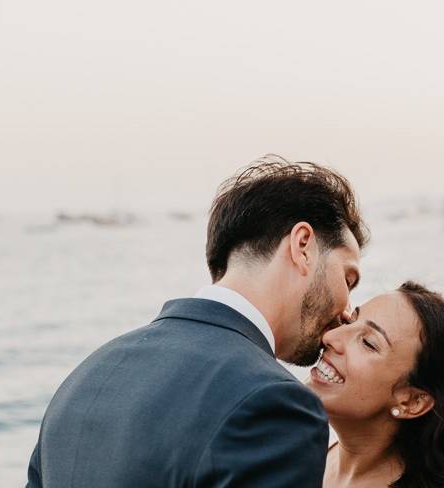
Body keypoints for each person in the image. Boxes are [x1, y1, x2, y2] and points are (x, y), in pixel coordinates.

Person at [26, 155, 368, 487]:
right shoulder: (275, 402)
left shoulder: (84, 378)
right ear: (303, 245)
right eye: (348, 279)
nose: (346, 311)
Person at [308, 281, 444, 488]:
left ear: (412, 401)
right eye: (349, 322)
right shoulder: (305, 453)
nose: (330, 336)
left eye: (368, 343)